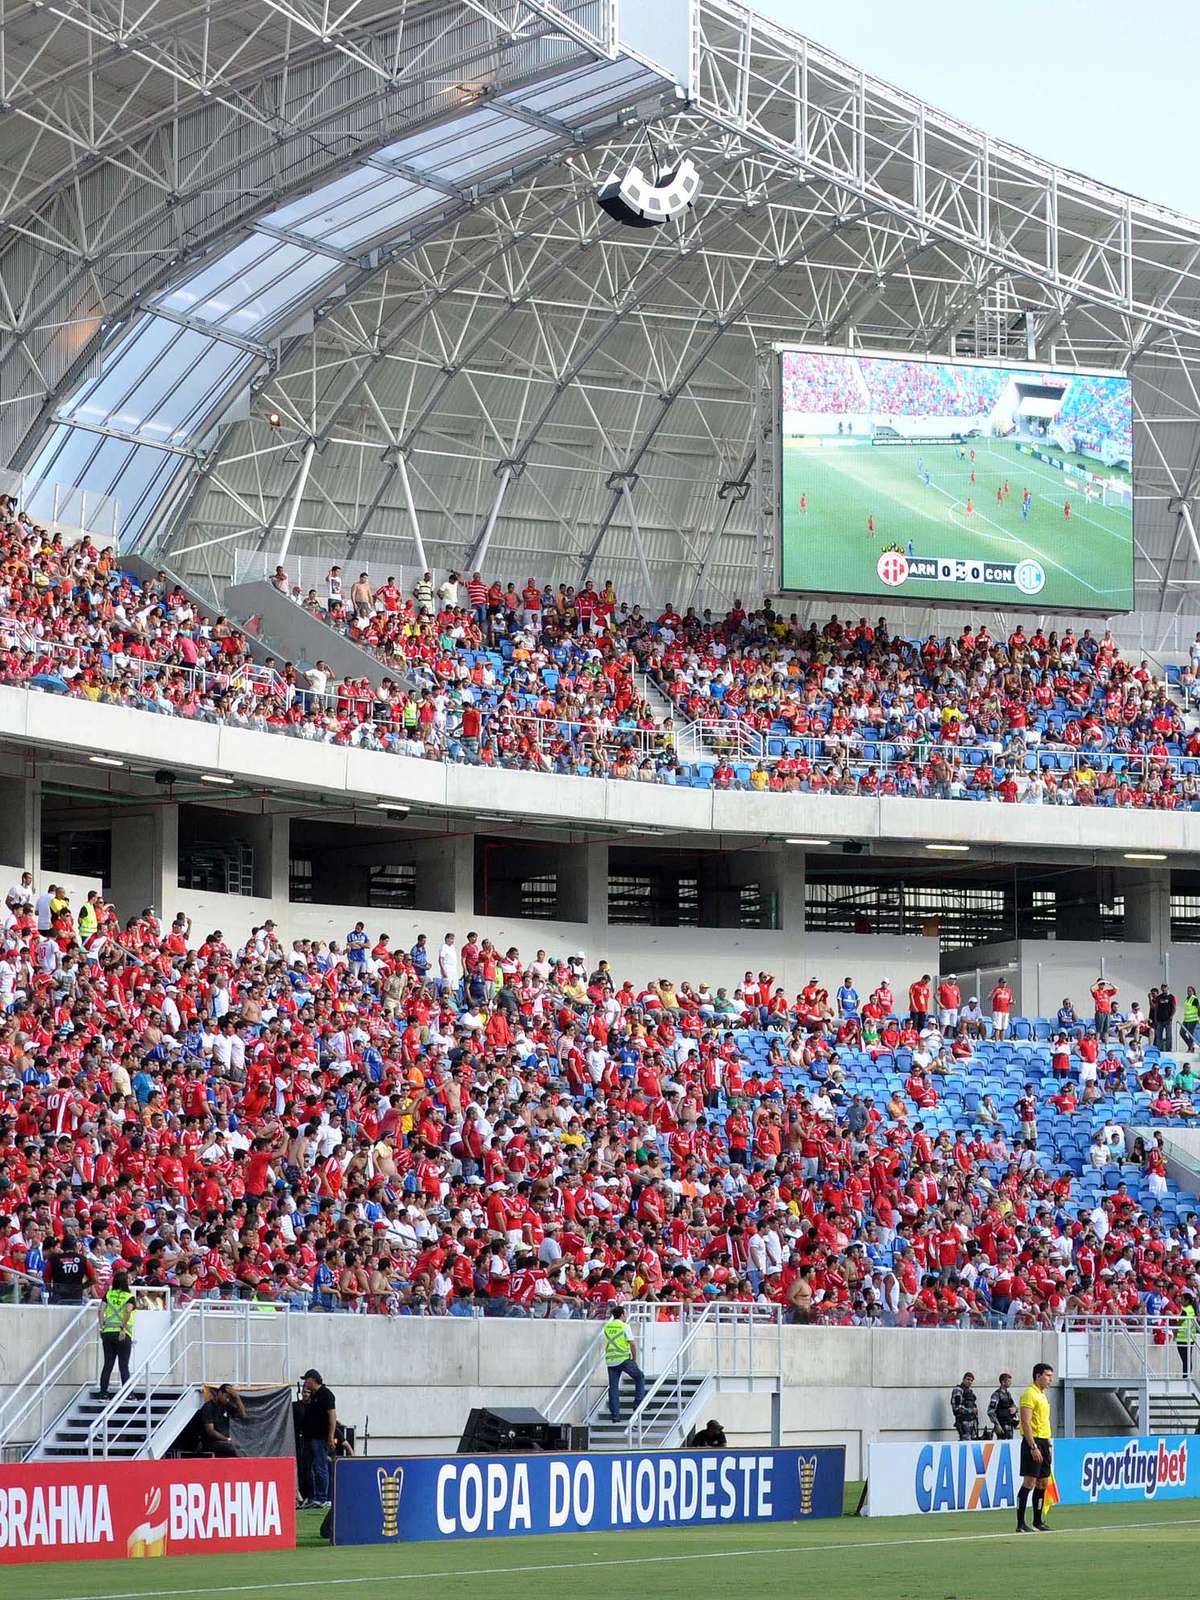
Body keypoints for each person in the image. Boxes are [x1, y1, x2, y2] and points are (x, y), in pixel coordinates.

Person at [1017, 1362, 1054, 1533]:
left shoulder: (1043, 1395)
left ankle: (1038, 1521)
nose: (1050, 1379)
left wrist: (1048, 1442)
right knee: (1029, 1481)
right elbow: (1025, 1421)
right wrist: (1033, 1446)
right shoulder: (1029, 1394)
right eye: (1047, 1375)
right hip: (1033, 1442)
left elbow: (1043, 1420)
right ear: (1038, 1376)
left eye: (1051, 1376)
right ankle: (1020, 1523)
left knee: (1043, 1482)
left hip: (1044, 1441)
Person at [298, 1368, 338, 1509]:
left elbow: (332, 1416)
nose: (305, 1383)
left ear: (313, 1380)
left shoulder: (326, 1394)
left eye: (306, 1380)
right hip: (309, 1437)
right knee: (307, 1467)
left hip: (319, 1438)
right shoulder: (314, 1395)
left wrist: (330, 1436)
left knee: (321, 1466)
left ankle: (322, 1497)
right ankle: (312, 1496)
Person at [602, 1304, 646, 1425]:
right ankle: (638, 1405)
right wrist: (634, 1359)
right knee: (640, 1377)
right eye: (625, 1313)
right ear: (621, 1314)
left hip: (611, 1361)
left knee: (613, 1388)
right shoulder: (624, 1326)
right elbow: (632, 1344)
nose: (626, 1315)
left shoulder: (607, 1326)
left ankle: (615, 1416)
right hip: (624, 1359)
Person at [97, 1269, 135, 1400]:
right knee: (123, 1365)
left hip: (107, 1332)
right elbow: (128, 1311)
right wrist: (123, 1329)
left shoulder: (108, 1294)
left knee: (108, 1364)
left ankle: (103, 1393)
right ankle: (128, 1394)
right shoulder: (129, 1296)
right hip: (122, 1334)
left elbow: (101, 1310)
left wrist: (102, 1327)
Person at [199, 1382, 246, 1457]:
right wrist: (227, 1440)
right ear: (220, 1393)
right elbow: (210, 1431)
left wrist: (237, 1398)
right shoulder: (208, 1407)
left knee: (241, 1448)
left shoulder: (226, 1405)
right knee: (232, 1449)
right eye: (226, 1397)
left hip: (224, 1442)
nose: (227, 1400)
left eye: (230, 1398)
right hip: (211, 1443)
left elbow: (243, 1415)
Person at [987, 1372, 1018, 1439]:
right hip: (1001, 1425)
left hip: (1009, 1424)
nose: (1010, 1383)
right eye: (1008, 1381)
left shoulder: (1008, 1394)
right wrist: (997, 1425)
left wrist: (1015, 1409)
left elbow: (1013, 1405)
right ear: (1003, 1382)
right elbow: (990, 1411)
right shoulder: (996, 1394)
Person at [950, 1372, 979, 1441]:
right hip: (963, 1422)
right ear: (963, 1379)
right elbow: (956, 1408)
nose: (970, 1382)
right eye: (968, 1379)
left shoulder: (969, 1392)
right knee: (966, 1443)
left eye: (971, 1380)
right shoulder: (958, 1390)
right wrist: (971, 1410)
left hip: (971, 1421)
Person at [1177, 1295, 1199, 1377]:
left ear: (1187, 1301)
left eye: (1182, 1299)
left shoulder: (1185, 1310)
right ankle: (1188, 1375)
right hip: (1190, 1338)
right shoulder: (1193, 1309)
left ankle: (1185, 1377)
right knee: (1188, 1359)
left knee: (1185, 1359)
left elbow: (1179, 1323)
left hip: (1183, 1338)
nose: (1181, 1301)